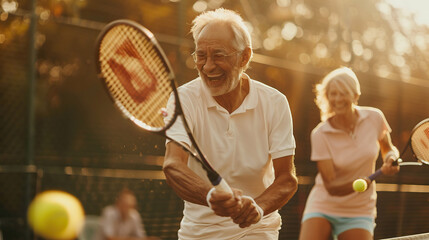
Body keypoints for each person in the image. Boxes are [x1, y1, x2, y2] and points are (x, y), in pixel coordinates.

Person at [162, 8, 298, 239]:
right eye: (201, 55)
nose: (207, 66)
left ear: (244, 56)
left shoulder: (275, 102)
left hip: (258, 230)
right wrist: (210, 195)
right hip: (198, 233)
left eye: (219, 55)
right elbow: (173, 165)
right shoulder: (183, 99)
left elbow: (286, 178)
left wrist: (258, 208)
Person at [298, 67, 400, 240]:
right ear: (327, 97)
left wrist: (391, 158)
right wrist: (362, 182)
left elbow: (388, 148)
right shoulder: (320, 134)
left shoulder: (375, 117)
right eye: (333, 93)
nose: (337, 99)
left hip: (360, 209)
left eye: (343, 93)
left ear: (355, 95)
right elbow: (330, 186)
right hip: (323, 205)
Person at [96, 189, 160, 240]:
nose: (129, 209)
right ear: (118, 203)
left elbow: (141, 237)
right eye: (126, 205)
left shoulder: (134, 215)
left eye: (132, 206)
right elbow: (109, 238)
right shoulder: (109, 212)